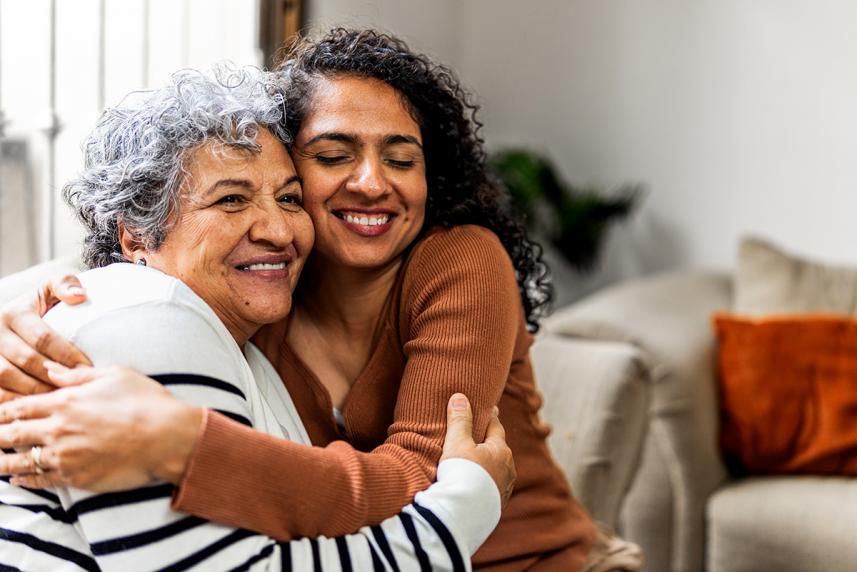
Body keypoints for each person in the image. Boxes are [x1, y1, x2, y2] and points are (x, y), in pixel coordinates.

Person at [0, 29, 643, 571]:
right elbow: (135, 267)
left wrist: (181, 443)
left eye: (402, 159)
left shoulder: (460, 260)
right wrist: (30, 311)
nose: (372, 183)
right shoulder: (265, 288)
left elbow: (428, 483)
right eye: (333, 154)